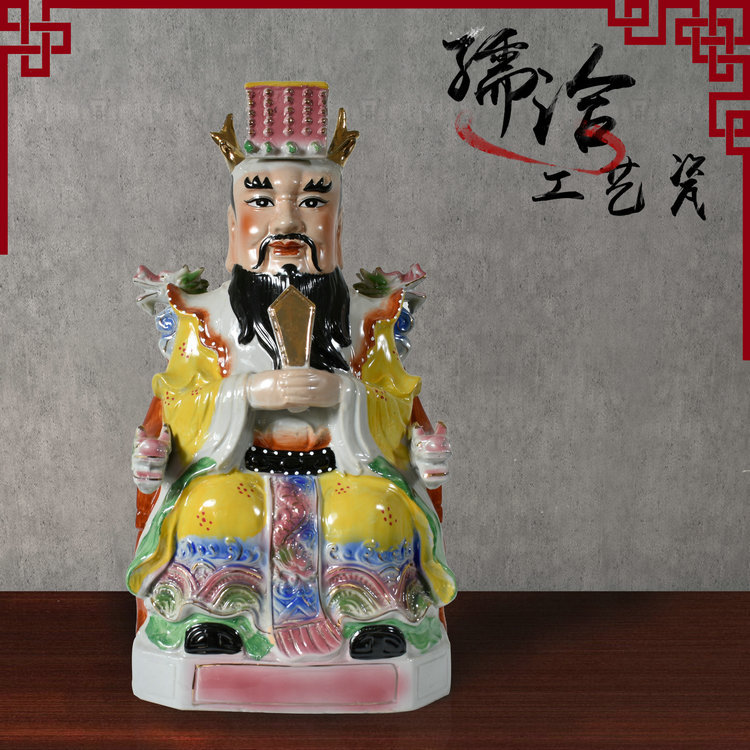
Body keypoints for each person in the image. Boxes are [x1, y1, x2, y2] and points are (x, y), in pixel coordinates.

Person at [127, 82, 455, 711]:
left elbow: (397, 404)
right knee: (214, 512)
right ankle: (219, 621)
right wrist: (243, 395)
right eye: (261, 200)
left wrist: (352, 399)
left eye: (312, 201)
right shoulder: (203, 317)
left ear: (338, 223)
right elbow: (180, 406)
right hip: (237, 472)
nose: (285, 222)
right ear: (233, 224)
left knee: (372, 516)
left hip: (344, 473)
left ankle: (371, 623)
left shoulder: (369, 317)